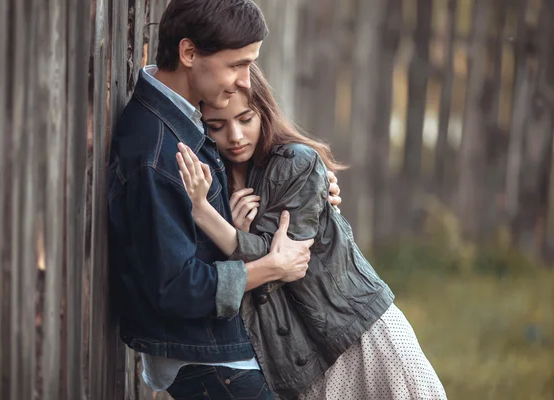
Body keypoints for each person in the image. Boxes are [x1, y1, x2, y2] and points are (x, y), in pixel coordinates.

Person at [107, 1, 342, 399]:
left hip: (229, 347)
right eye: (237, 64)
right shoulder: (156, 152)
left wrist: (309, 189)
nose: (245, 81)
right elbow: (175, 285)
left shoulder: (184, 116)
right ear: (188, 54)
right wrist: (272, 267)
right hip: (207, 363)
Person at [176, 63, 448, 399]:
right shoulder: (217, 178)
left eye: (245, 119)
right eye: (217, 126)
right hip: (303, 358)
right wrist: (233, 229)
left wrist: (209, 218)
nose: (234, 136)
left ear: (264, 113)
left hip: (358, 333)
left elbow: (283, 263)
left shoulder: (294, 162)